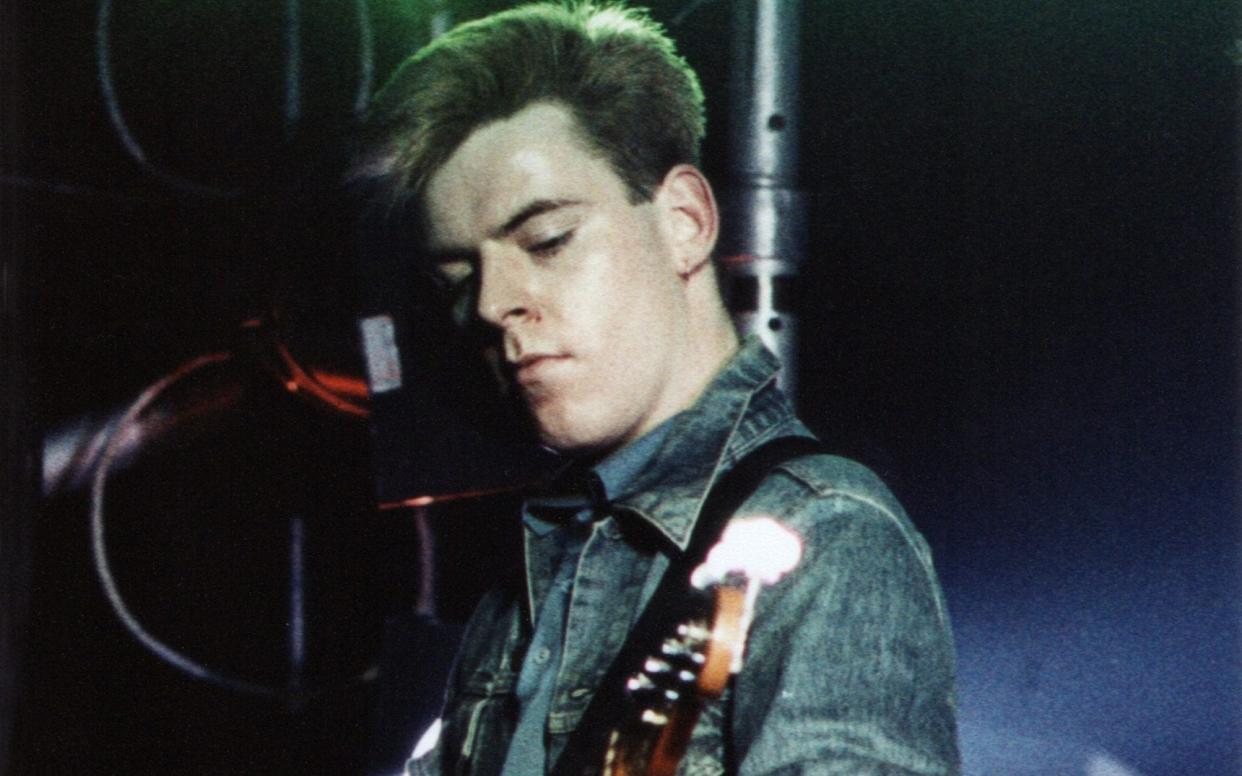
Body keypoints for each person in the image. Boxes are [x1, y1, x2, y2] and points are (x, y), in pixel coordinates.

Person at [353, 3, 960, 775]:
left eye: (547, 240)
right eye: (457, 277)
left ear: (684, 220)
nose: (491, 303)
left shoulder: (829, 536)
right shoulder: (525, 580)